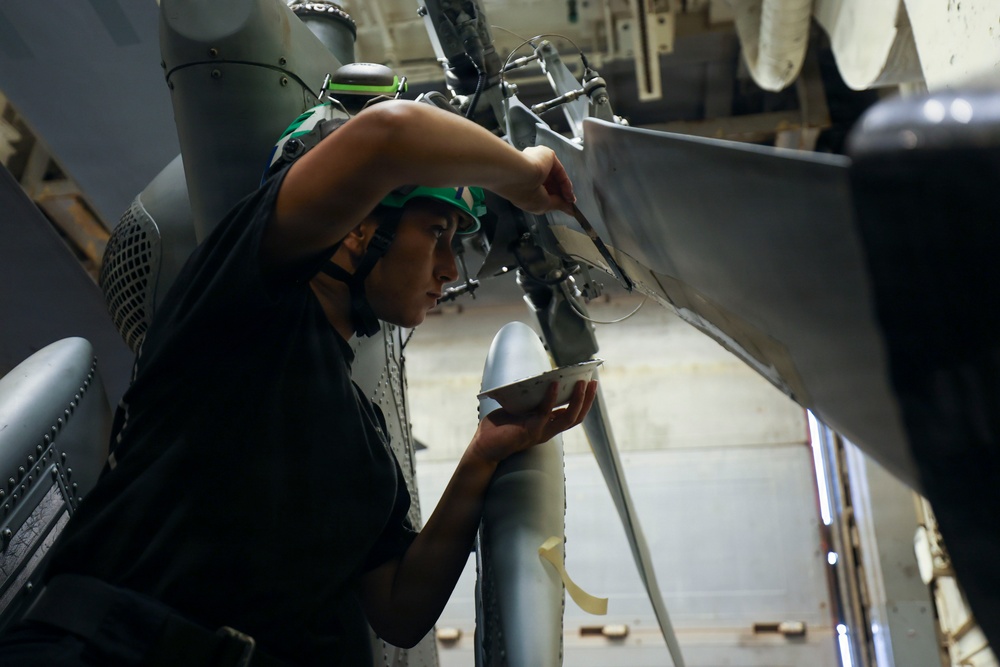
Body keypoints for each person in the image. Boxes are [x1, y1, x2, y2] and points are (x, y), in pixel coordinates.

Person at [0, 99, 597, 666]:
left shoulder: (365, 438)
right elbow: (389, 136)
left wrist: (484, 454)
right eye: (436, 234)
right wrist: (520, 171)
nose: (448, 267)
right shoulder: (243, 300)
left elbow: (397, 608)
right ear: (360, 231)